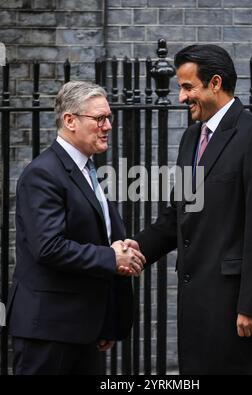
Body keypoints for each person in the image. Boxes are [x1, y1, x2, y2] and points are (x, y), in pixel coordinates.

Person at [128, 45, 252, 374]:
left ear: (215, 83)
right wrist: (134, 249)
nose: (181, 97)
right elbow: (177, 216)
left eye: (188, 87)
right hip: (197, 305)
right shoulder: (190, 139)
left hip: (237, 311)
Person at [6, 81, 145, 375]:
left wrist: (120, 247)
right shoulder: (43, 174)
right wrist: (111, 257)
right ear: (70, 120)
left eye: (109, 118)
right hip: (49, 331)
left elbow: (92, 235)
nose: (107, 126)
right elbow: (49, 247)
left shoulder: (86, 170)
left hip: (84, 329)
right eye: (99, 119)